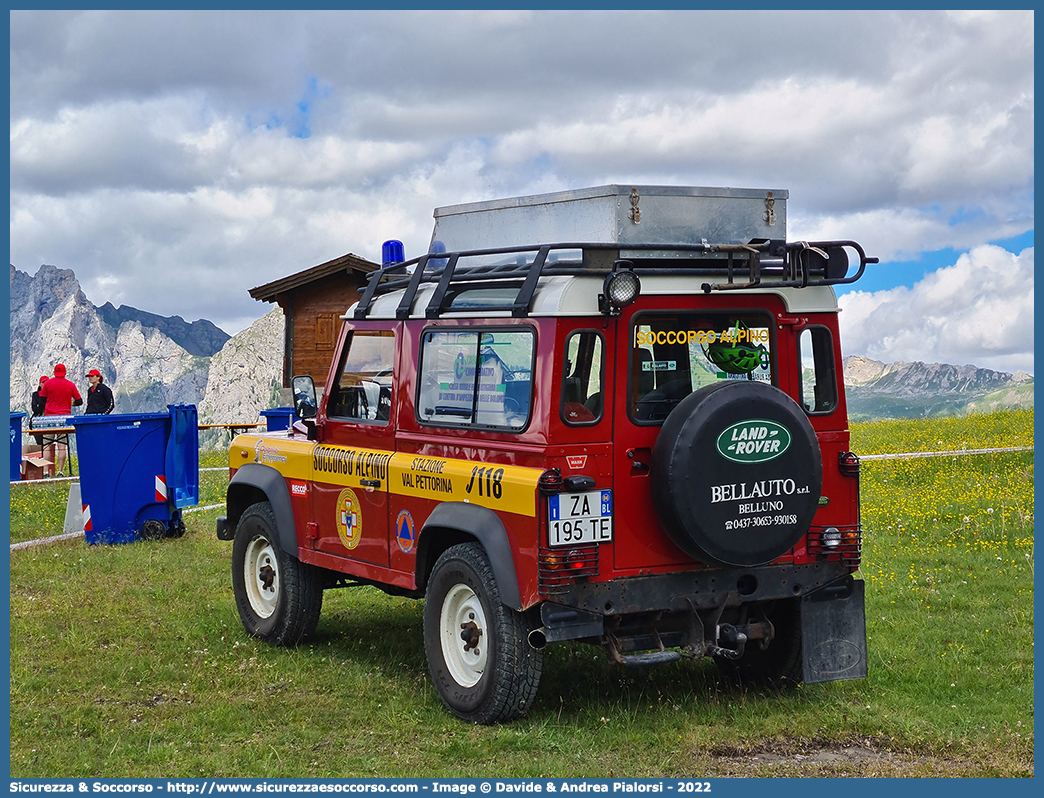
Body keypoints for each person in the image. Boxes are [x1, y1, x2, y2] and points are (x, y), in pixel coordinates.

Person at [38, 363, 82, 476]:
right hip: (64, 418)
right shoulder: (70, 385)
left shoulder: (47, 384)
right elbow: (79, 401)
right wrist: (69, 403)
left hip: (49, 418)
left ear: (54, 372)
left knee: (47, 445)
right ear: (65, 372)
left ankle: (46, 471)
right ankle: (60, 471)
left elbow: (42, 400)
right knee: (62, 446)